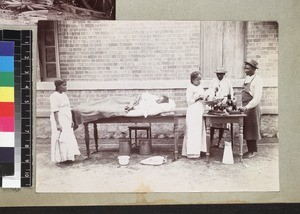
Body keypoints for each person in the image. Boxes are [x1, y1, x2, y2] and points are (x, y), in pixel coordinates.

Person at [50, 79, 80, 164]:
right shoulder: (54, 96)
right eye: (64, 85)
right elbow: (55, 110)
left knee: (68, 136)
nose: (66, 87)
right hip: (59, 118)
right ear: (58, 86)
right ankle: (61, 157)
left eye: (66, 85)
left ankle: (69, 156)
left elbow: (68, 108)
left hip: (66, 118)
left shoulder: (64, 95)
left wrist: (71, 120)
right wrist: (58, 124)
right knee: (61, 137)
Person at [239, 59, 263, 159]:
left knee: (252, 130)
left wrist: (247, 107)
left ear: (254, 69)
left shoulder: (258, 80)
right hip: (246, 107)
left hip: (252, 108)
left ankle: (252, 151)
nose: (246, 70)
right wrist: (242, 105)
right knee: (247, 129)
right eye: (245, 68)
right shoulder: (247, 78)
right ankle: (249, 150)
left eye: (248, 69)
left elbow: (257, 98)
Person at [182, 71, 208, 158]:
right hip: (193, 111)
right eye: (197, 80)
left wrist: (205, 97)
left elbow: (203, 98)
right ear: (193, 80)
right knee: (193, 131)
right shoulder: (190, 88)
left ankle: (200, 150)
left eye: (200, 79)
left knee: (200, 130)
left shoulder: (200, 87)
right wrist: (197, 98)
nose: (199, 81)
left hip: (199, 111)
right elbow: (189, 101)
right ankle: (192, 152)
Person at [208, 67, 234, 148]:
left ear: (224, 74)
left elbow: (231, 93)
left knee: (222, 125)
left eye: (221, 74)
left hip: (223, 105)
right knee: (212, 125)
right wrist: (212, 100)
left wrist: (229, 102)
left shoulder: (227, 82)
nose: (219, 76)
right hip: (215, 105)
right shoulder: (213, 81)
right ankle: (211, 141)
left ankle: (219, 141)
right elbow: (210, 92)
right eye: (218, 74)